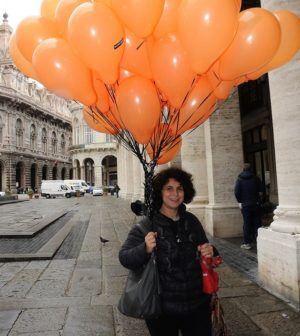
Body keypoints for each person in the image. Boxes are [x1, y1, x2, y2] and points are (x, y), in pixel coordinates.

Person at [119, 167, 218, 336]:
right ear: (160, 192)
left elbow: (206, 249)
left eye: (180, 188)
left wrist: (211, 251)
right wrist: (145, 248)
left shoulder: (191, 220)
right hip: (162, 309)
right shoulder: (146, 225)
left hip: (197, 305)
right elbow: (125, 257)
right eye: (169, 188)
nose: (175, 194)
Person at [234, 163, 263, 250]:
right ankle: (260, 241)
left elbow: (237, 192)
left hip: (245, 205)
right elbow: (261, 191)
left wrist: (240, 201)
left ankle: (247, 243)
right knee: (257, 222)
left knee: (247, 223)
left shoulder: (239, 179)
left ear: (243, 169)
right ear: (251, 169)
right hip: (255, 203)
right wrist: (259, 200)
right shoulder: (256, 178)